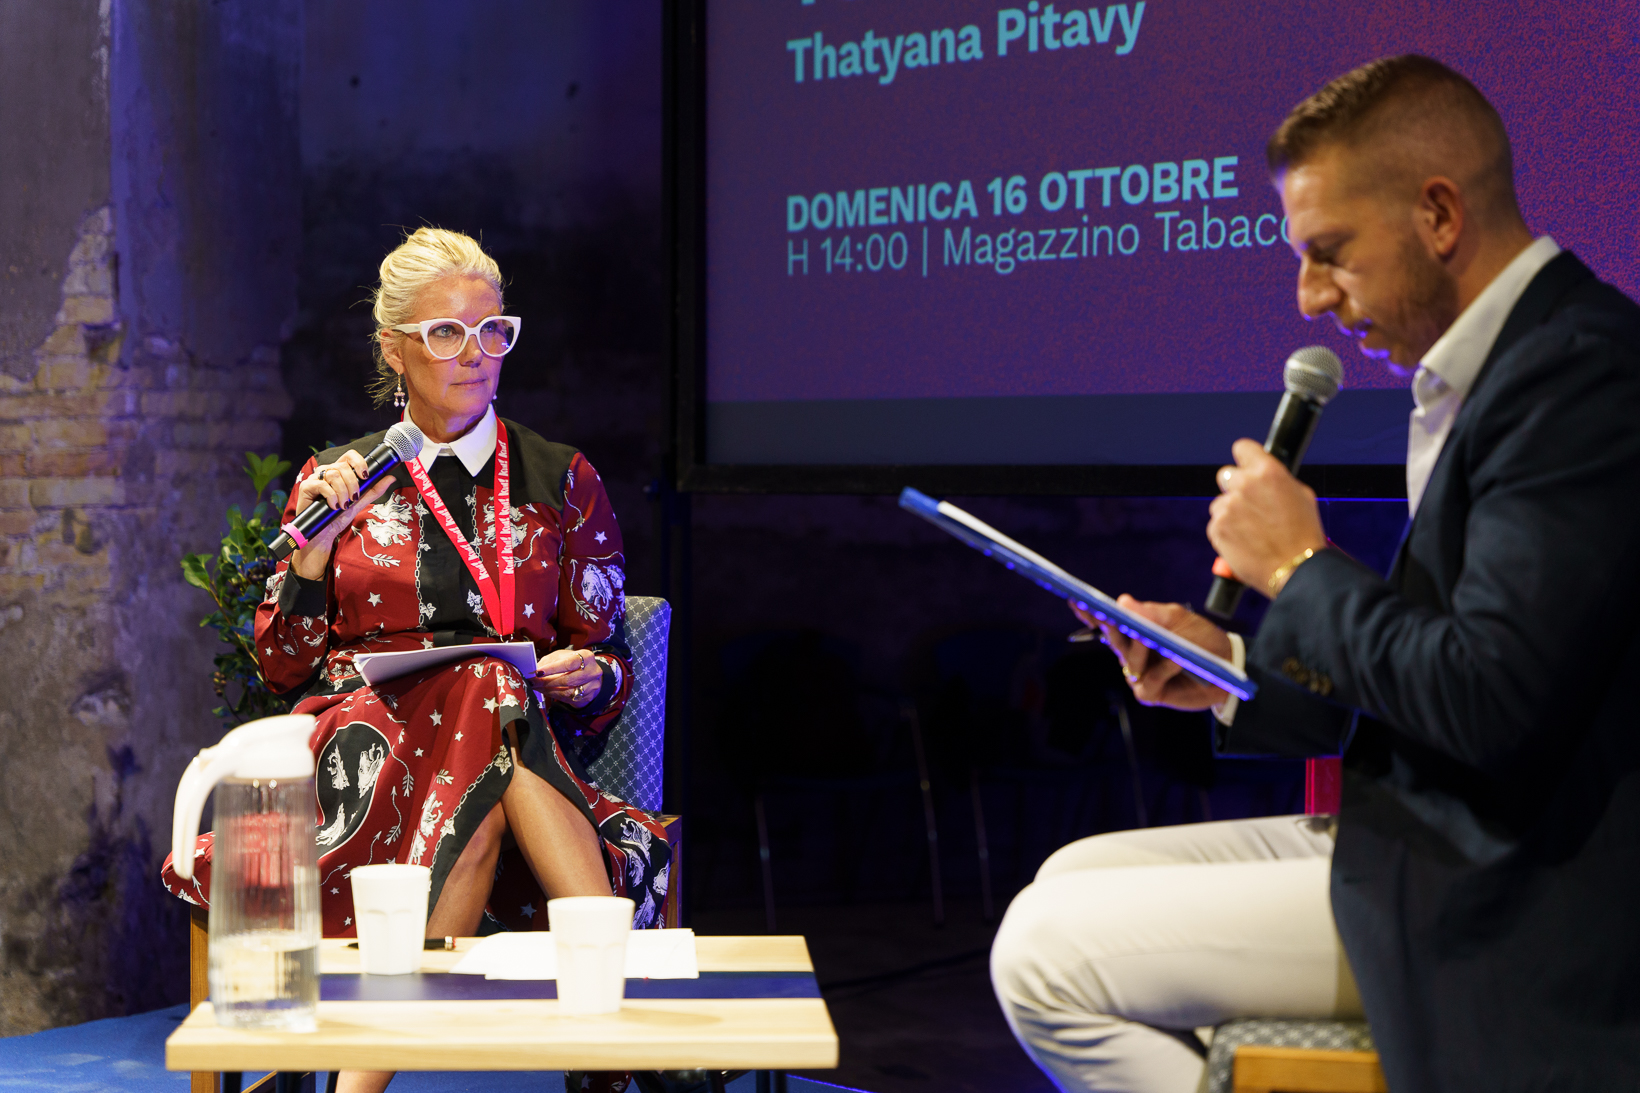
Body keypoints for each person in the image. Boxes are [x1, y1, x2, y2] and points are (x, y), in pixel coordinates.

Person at [990, 55, 1640, 1092]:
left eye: (1328, 253)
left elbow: (1490, 698)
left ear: (1437, 214)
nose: (1307, 298)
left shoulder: (1581, 372)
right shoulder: (1498, 373)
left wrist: (1297, 564)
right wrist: (1228, 666)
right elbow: (1422, 674)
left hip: (1513, 882)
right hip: (1427, 828)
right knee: (1071, 873)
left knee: (1042, 954)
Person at [163, 227, 670, 1093]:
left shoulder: (561, 479)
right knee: (490, 690)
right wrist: (312, 557)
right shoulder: (339, 478)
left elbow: (609, 657)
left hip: (513, 757)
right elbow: (283, 667)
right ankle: (612, 1043)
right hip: (366, 762)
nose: (475, 353)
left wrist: (593, 674)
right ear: (394, 348)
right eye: (445, 333)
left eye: (492, 330)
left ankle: (354, 1084)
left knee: (491, 691)